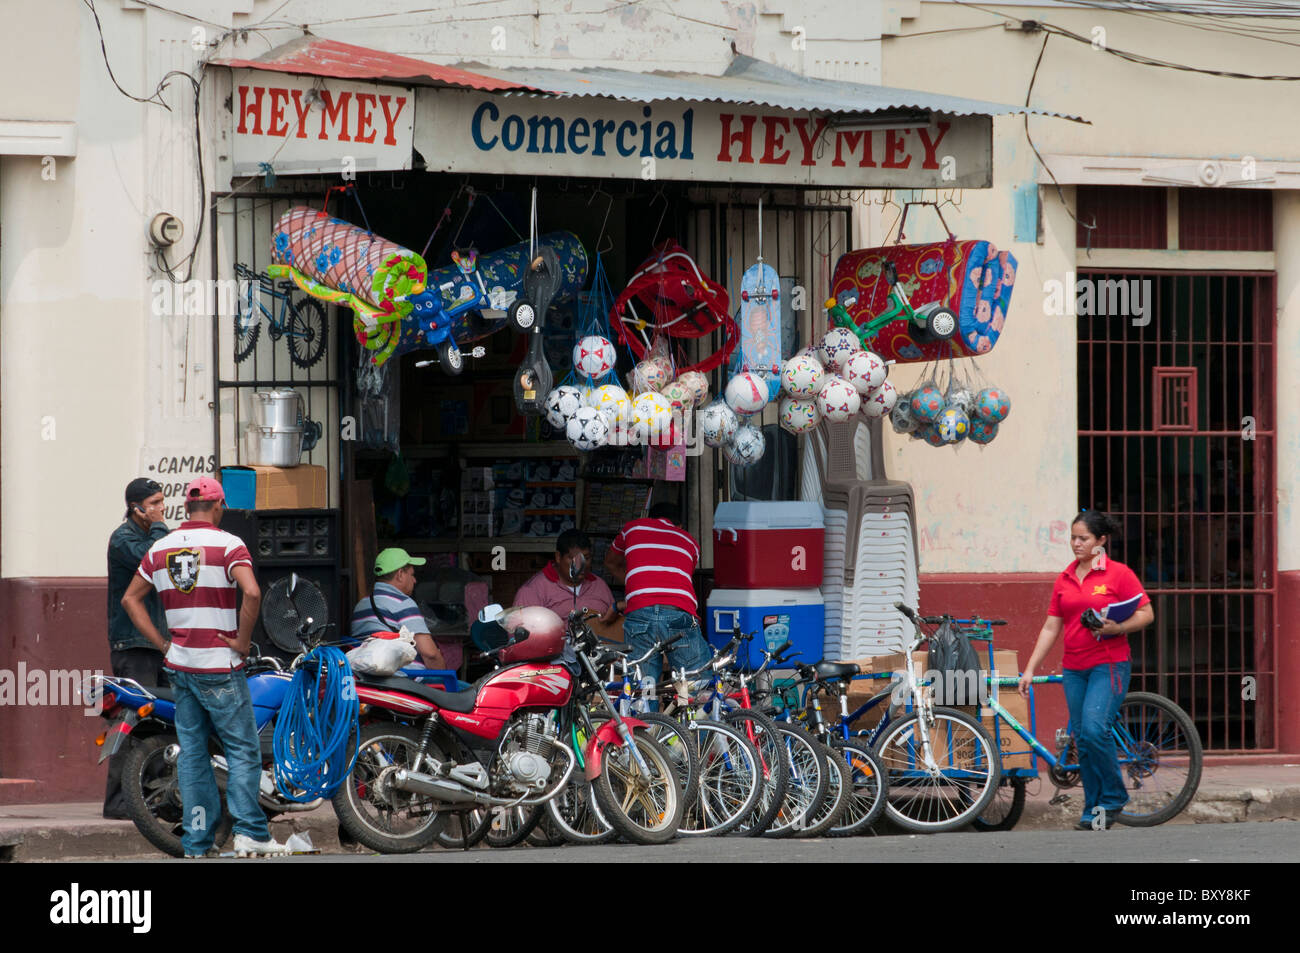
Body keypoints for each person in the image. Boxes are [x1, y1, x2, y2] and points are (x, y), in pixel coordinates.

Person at [120, 477, 288, 858]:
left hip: (181, 665)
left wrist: (163, 643)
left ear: (186, 508)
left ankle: (196, 842)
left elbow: (131, 600)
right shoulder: (229, 545)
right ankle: (250, 831)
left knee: (193, 755)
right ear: (218, 506)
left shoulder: (159, 549)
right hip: (220, 665)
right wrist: (243, 642)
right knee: (243, 751)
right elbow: (253, 592)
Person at [1018, 510, 1154, 830]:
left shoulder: (1119, 574)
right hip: (1074, 668)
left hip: (1109, 664)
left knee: (1094, 730)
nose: (1076, 544)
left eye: (1084, 539)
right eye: (1073, 537)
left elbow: (1146, 614)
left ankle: (1113, 797)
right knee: (1083, 739)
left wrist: (1116, 626)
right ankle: (1094, 810)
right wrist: (1029, 669)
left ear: (1101, 541)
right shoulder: (1065, 578)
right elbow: (1052, 627)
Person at [102, 477, 170, 819]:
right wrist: (160, 529)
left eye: (162, 501)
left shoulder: (155, 535)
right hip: (133, 645)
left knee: (161, 725)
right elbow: (154, 560)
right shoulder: (123, 539)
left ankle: (152, 796)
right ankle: (118, 801)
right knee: (132, 725)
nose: (161, 508)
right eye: (155, 502)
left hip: (159, 644)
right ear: (136, 507)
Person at [603, 501, 712, 684]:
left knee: (645, 688)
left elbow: (610, 562)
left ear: (649, 519)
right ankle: (692, 708)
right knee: (696, 684)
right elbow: (679, 581)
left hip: (640, 615)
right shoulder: (690, 542)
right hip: (678, 613)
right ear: (679, 526)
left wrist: (636, 588)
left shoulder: (632, 528)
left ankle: (646, 713)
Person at [350, 548, 455, 671]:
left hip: (369, 678)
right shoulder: (402, 603)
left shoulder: (361, 604)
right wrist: (445, 678)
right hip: (405, 679)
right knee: (466, 688)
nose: (415, 580)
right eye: (412, 574)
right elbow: (430, 654)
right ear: (400, 575)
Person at [513, 528, 618, 627]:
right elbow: (520, 636)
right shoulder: (532, 591)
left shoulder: (600, 586)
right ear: (558, 557)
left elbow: (616, 626)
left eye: (586, 558)